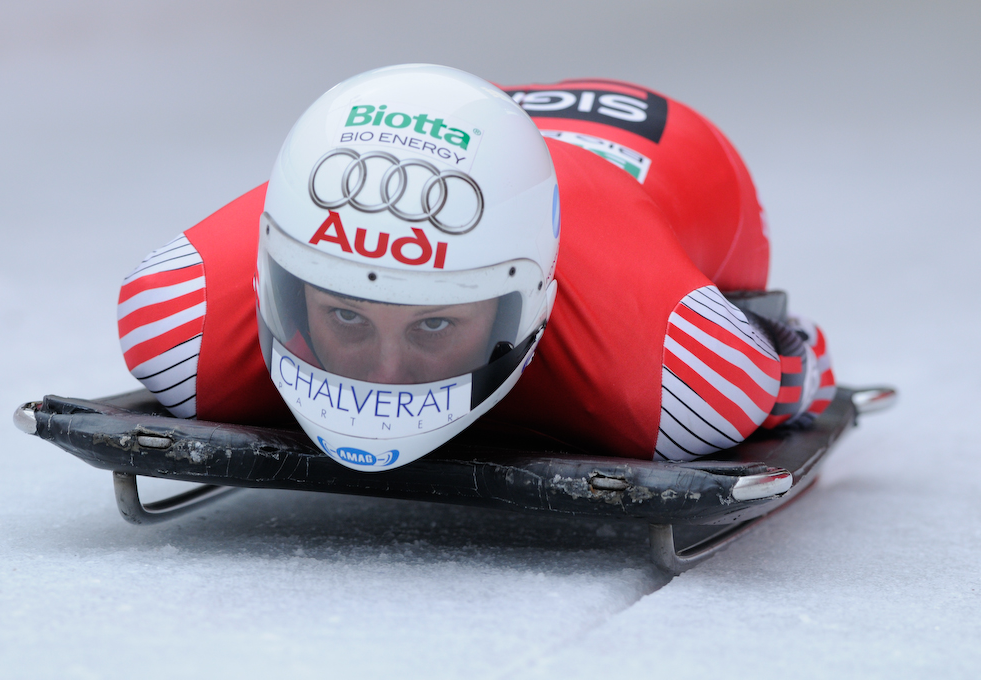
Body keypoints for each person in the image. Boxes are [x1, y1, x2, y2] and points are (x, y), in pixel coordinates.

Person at [116, 64, 834, 472]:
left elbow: (783, 374)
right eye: (346, 316)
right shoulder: (179, 316)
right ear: (282, 288)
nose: (385, 377)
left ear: (529, 302)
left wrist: (798, 373)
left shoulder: (686, 376)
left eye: (433, 323)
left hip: (675, 155)